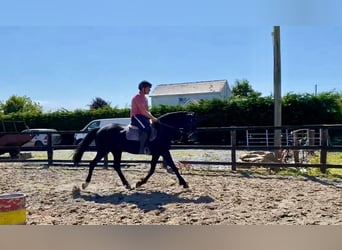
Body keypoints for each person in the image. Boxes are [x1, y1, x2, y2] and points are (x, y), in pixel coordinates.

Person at [130, 80, 158, 154]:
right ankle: (141, 149)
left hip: (143, 117)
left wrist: (152, 118)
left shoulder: (145, 98)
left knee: (152, 126)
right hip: (136, 116)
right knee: (145, 127)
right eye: (148, 88)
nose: (149, 90)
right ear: (143, 88)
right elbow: (143, 111)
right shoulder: (137, 97)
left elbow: (147, 111)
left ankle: (149, 146)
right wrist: (152, 118)